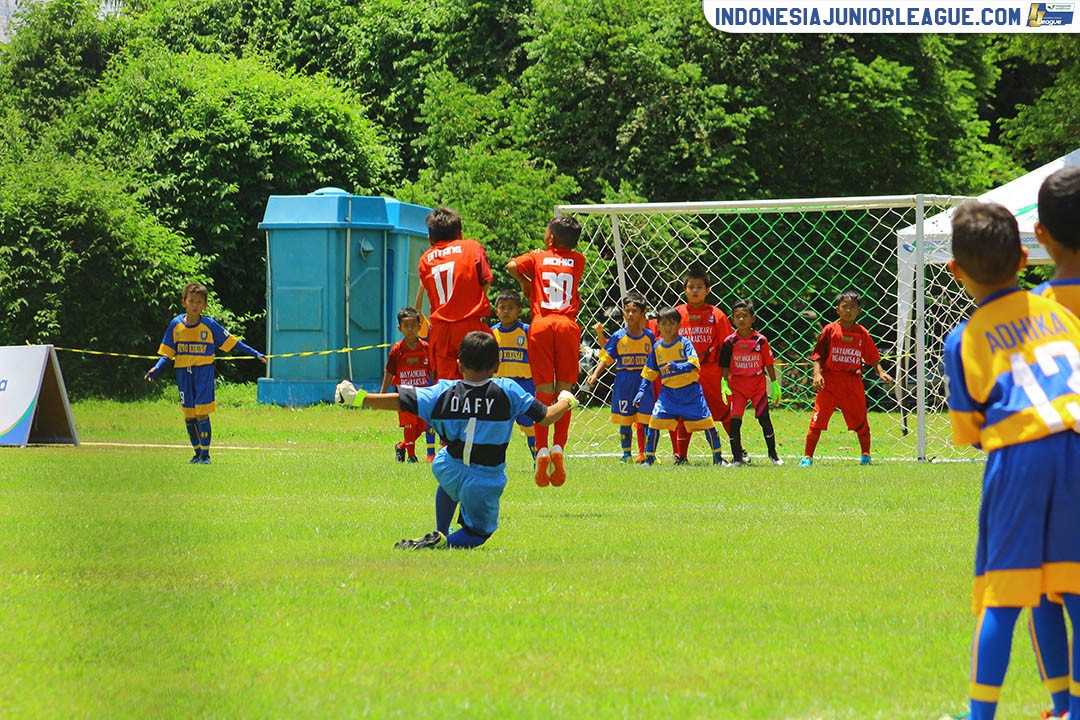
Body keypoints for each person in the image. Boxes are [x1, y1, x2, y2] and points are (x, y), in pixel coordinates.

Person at [942, 199, 1080, 720]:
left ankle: (980, 716)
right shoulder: (1057, 311)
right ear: (1024, 258)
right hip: (1077, 447)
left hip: (1020, 455)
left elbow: (969, 430)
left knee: (1001, 597)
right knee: (1075, 589)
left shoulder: (965, 338)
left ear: (954, 271)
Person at [352, 331, 577, 550]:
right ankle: (444, 542)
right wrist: (566, 401)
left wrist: (360, 397)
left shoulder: (443, 390)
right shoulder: (507, 390)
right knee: (479, 533)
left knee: (450, 481)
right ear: (496, 366)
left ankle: (441, 530)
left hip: (448, 468)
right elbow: (547, 417)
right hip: (485, 479)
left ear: (459, 365)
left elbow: (400, 400)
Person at [1027, 165, 1080, 720]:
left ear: (1038, 234)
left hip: (1047, 471)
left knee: (1045, 590)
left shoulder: (1024, 314)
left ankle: (1062, 705)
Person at [144, 282, 266, 464]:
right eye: (191, 301)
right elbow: (168, 353)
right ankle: (196, 452)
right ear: (184, 302)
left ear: (205, 305)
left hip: (203, 373)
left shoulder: (209, 326)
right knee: (189, 414)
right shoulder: (175, 325)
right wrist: (157, 368)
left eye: (199, 302)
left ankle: (205, 455)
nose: (195, 305)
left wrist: (256, 353)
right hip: (183, 374)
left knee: (202, 413)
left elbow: (233, 342)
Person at [506, 215, 585, 487]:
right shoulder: (579, 260)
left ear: (550, 238)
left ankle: (540, 449)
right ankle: (558, 449)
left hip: (540, 325)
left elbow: (512, 265)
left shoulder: (538, 257)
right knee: (564, 391)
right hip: (567, 325)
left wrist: (524, 282)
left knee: (542, 390)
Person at [798, 290, 893, 467]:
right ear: (837, 309)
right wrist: (817, 374)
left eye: (852, 307)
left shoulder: (862, 333)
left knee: (861, 420)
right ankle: (807, 457)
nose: (848, 310)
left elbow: (872, 356)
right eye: (844, 307)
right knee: (817, 420)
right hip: (830, 382)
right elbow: (818, 354)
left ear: (859, 310)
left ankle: (865, 455)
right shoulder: (830, 330)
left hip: (852, 383)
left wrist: (880, 372)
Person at [633, 306, 725, 466]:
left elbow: (694, 364)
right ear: (658, 326)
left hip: (691, 393)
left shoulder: (685, 343)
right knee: (654, 423)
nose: (668, 328)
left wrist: (678, 366)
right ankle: (649, 459)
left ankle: (718, 458)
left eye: (672, 324)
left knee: (708, 424)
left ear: (679, 326)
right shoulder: (657, 348)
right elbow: (648, 372)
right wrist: (640, 392)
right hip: (668, 395)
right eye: (664, 324)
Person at [415, 206, 494, 381]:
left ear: (430, 239)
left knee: (445, 386)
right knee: (476, 379)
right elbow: (486, 280)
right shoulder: (472, 247)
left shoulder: (425, 259)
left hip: (440, 329)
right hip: (468, 324)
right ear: (460, 233)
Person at [585, 292, 655, 462]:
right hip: (624, 380)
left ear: (642, 313)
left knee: (645, 419)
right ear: (623, 312)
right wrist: (595, 374)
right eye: (627, 310)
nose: (630, 314)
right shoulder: (618, 336)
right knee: (625, 420)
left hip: (643, 380)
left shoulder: (649, 336)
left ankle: (645, 454)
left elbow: (656, 359)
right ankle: (626, 454)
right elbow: (607, 357)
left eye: (634, 311)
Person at [673, 267, 733, 464]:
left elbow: (727, 346)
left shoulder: (717, 315)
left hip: (712, 373)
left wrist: (727, 374)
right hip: (685, 373)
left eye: (699, 287)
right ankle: (680, 455)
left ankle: (738, 450)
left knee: (725, 412)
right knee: (683, 413)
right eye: (691, 287)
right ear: (684, 290)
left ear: (708, 290)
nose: (695, 291)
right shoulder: (677, 314)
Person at [718, 299, 783, 466]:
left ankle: (773, 455)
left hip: (757, 387)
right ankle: (737, 457)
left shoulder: (760, 341)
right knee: (734, 422)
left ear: (752, 319)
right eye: (737, 316)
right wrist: (724, 384)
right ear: (732, 319)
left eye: (744, 316)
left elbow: (769, 363)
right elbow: (724, 365)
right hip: (738, 387)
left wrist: (774, 385)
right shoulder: (729, 342)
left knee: (764, 419)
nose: (741, 320)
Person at [379, 307, 436, 463]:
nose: (410, 329)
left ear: (419, 326)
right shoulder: (396, 350)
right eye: (406, 326)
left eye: (413, 325)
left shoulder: (425, 348)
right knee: (409, 425)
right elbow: (389, 373)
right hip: (404, 394)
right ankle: (411, 456)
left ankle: (401, 446)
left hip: (423, 393)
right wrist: (381, 395)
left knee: (421, 426)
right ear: (400, 328)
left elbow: (431, 371)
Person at [491, 289, 538, 461]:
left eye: (510, 307)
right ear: (496, 311)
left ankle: (537, 460)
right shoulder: (492, 333)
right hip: (500, 386)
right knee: (498, 426)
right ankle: (493, 462)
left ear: (519, 310)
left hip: (524, 385)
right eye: (502, 307)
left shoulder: (527, 331)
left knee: (530, 425)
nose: (505, 311)